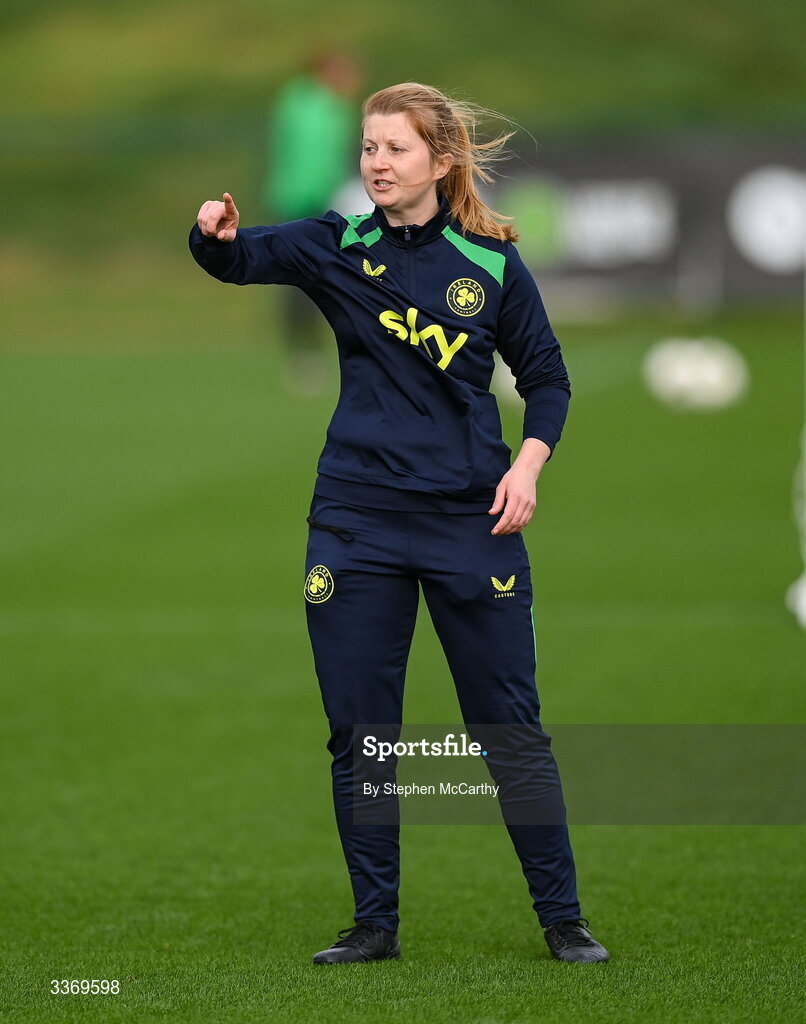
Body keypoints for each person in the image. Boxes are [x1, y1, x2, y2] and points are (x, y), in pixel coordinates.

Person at [189, 82, 609, 965]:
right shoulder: (334, 245)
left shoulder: (491, 262)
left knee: (509, 730)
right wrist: (212, 236)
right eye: (369, 148)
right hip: (356, 522)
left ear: (440, 161)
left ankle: (563, 921)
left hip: (471, 524)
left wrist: (527, 465)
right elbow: (236, 260)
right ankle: (373, 925)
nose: (376, 162)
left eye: (395, 149)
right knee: (361, 732)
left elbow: (548, 380)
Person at [262, 50, 361, 395]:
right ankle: (304, 356)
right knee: (302, 284)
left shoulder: (336, 110)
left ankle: (338, 353)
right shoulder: (302, 104)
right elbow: (305, 163)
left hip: (326, 205)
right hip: (301, 205)